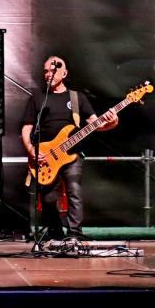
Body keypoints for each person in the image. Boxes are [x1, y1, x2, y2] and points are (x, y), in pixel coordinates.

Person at [20, 55, 118, 240]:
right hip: (46, 156)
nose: (49, 74)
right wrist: (31, 150)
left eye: (53, 70)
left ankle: (75, 235)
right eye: (46, 71)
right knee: (48, 198)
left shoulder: (76, 97)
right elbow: (26, 128)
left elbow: (96, 124)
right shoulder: (37, 98)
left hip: (72, 154)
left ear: (64, 73)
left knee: (74, 191)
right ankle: (55, 233)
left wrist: (112, 123)